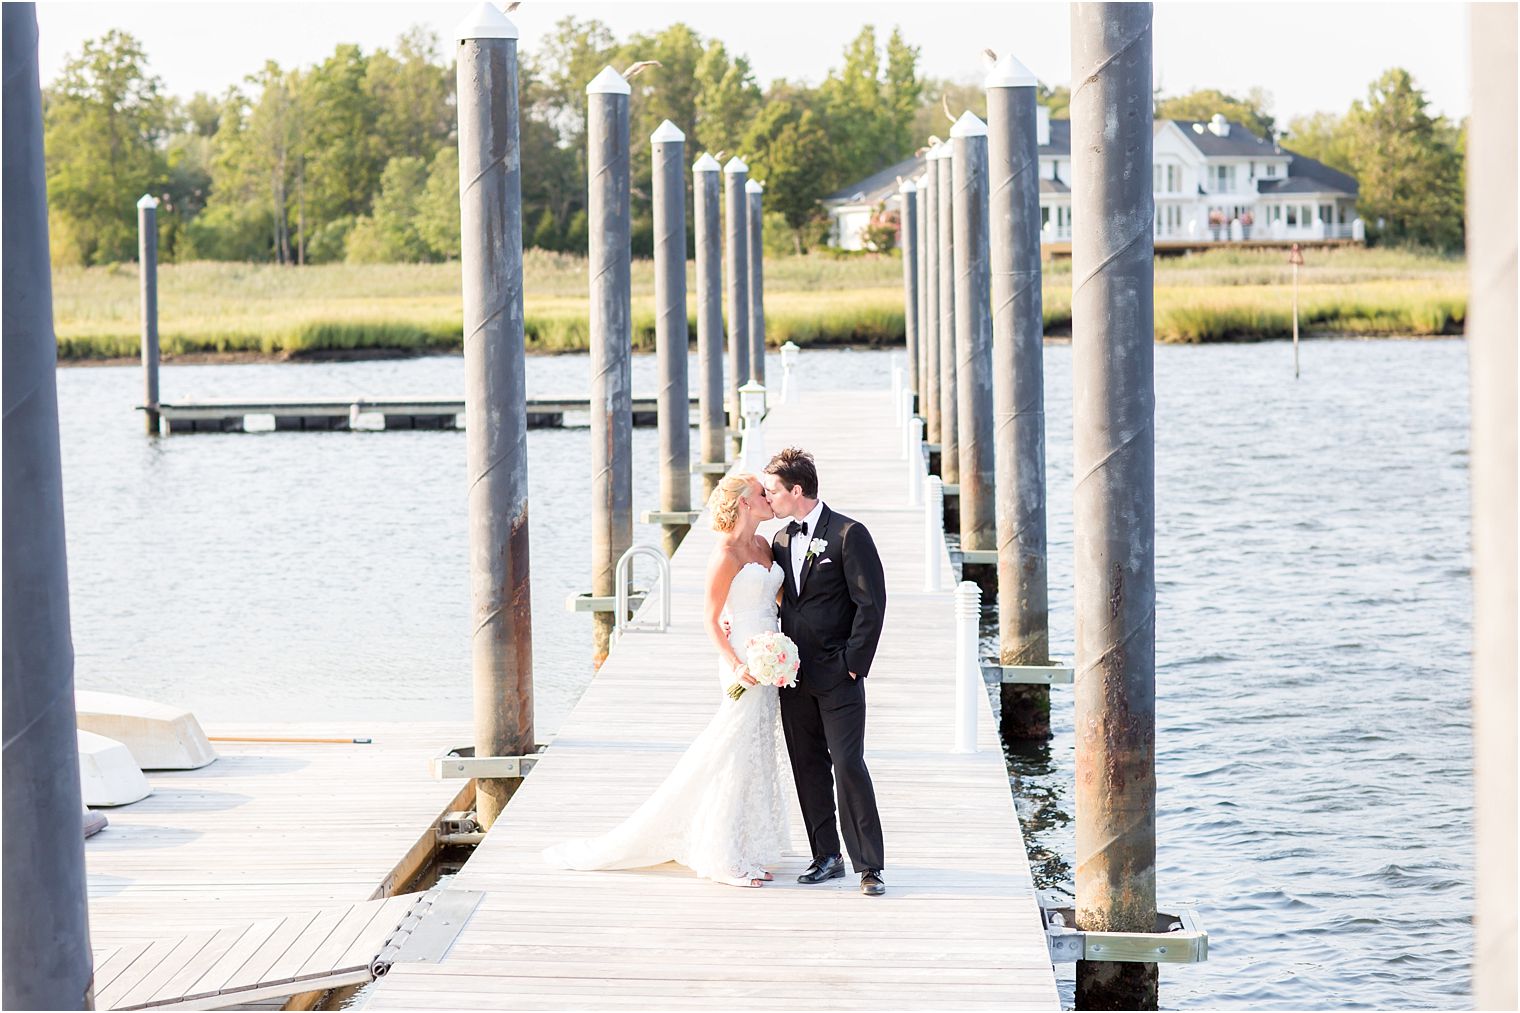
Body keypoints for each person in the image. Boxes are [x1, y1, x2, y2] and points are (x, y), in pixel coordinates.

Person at [540, 474, 789, 888]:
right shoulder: (725, 554)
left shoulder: (763, 546)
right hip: (742, 660)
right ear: (744, 504)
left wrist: (779, 648)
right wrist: (736, 661)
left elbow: (777, 599)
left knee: (755, 753)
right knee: (732, 751)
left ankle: (743, 847)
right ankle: (723, 856)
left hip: (769, 655)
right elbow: (709, 620)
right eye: (761, 493)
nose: (768, 497)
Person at [761, 447, 888, 897]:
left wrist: (853, 666)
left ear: (797, 491)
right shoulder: (778, 540)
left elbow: (870, 606)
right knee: (807, 765)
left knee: (849, 764)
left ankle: (870, 865)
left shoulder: (849, 534)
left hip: (839, 675)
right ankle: (826, 856)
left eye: (773, 489)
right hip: (791, 677)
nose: (767, 496)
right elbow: (782, 601)